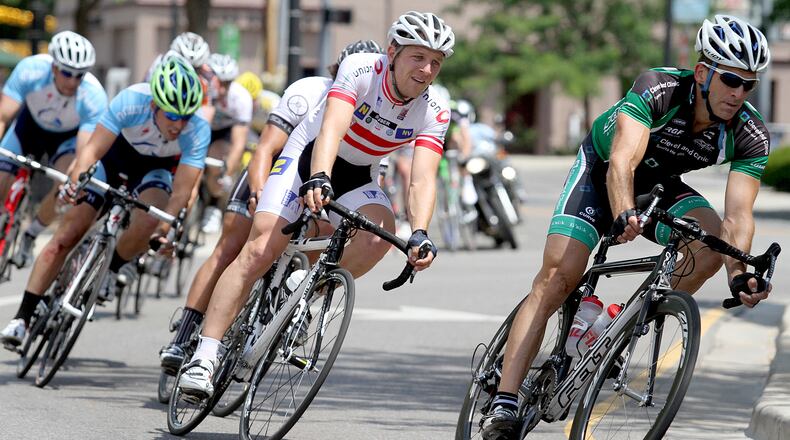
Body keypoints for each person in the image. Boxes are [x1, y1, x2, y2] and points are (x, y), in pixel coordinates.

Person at [481, 14, 773, 438]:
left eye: (750, 84)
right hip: (602, 172)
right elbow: (622, 162)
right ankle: (505, 402)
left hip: (658, 186)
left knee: (709, 246)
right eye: (731, 79)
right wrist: (622, 213)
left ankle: (627, 322)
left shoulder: (748, 132)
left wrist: (739, 273)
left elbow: (738, 216)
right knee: (559, 276)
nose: (739, 93)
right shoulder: (659, 88)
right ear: (704, 72)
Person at [177, 11, 455, 399]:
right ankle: (204, 357)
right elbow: (331, 129)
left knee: (380, 237)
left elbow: (423, 177)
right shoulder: (361, 70)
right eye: (418, 57)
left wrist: (422, 232)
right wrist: (319, 176)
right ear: (392, 51)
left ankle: (307, 288)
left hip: (359, 174)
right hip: (309, 157)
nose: (427, 70)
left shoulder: (434, 111)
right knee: (259, 250)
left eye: (436, 63)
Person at [158, 39, 384, 372]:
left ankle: (291, 308)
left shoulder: (377, 116)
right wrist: (258, 190)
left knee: (322, 237)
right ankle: (186, 335)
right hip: (273, 171)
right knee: (233, 246)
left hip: (322, 186)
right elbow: (265, 149)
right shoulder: (306, 92)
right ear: (335, 71)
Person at [0, 56, 209, 348]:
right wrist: (74, 183)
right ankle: (22, 316)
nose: (179, 124)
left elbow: (181, 193)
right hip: (111, 160)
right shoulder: (131, 101)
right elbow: (90, 152)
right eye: (172, 116)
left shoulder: (197, 129)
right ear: (154, 105)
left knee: (151, 220)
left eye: (186, 116)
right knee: (67, 234)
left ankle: (113, 267)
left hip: (155, 170)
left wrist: (166, 228)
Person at [0, 31, 108, 269]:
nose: (72, 81)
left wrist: (73, 180)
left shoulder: (94, 96)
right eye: (67, 73)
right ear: (54, 68)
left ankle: (31, 234)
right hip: (28, 128)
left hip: (66, 139)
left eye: (79, 76)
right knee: (1, 177)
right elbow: (3, 116)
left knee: (64, 182)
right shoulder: (31, 69)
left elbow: (84, 154)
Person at [199, 53, 250, 234]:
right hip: (201, 126)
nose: (222, 89)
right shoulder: (198, 90)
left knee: (218, 158)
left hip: (224, 133)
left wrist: (226, 172)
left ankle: (212, 205)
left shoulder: (241, 98)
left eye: (227, 83)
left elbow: (239, 143)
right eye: (218, 82)